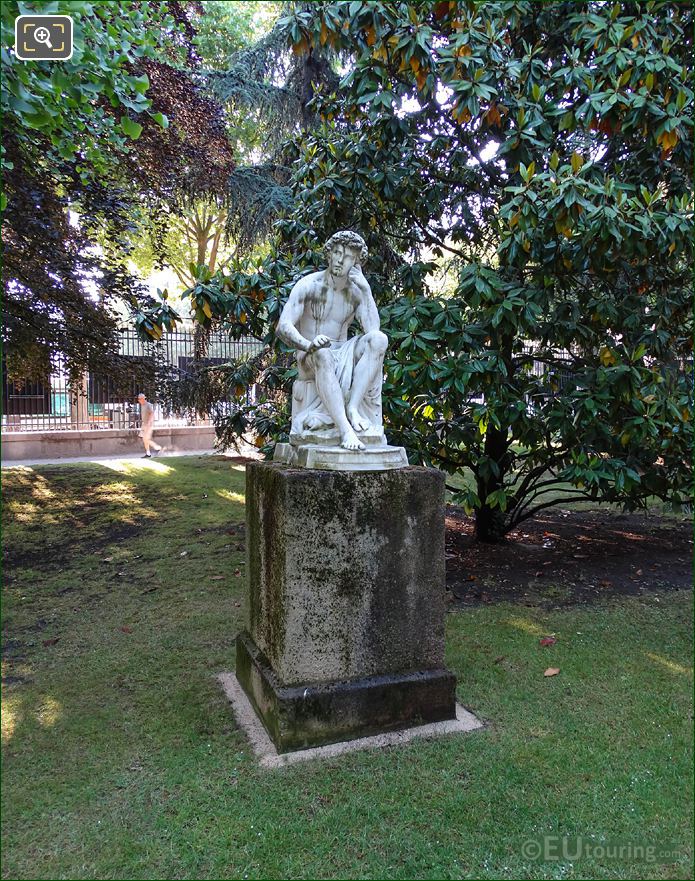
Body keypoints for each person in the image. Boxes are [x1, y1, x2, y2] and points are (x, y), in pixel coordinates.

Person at [276, 230, 387, 451]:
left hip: (343, 351)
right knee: (323, 353)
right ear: (329, 254)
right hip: (311, 354)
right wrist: (308, 344)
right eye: (336, 253)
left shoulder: (356, 292)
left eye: (347, 256)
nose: (339, 260)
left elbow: (373, 330)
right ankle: (346, 430)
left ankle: (353, 407)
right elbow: (283, 326)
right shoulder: (309, 285)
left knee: (379, 340)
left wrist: (367, 291)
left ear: (356, 262)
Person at [137, 393, 162, 457]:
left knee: (146, 439)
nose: (138, 400)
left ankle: (155, 449)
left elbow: (152, 414)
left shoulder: (148, 405)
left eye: (139, 399)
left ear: (143, 399)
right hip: (144, 424)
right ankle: (151, 451)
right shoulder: (142, 405)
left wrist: (149, 423)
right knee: (145, 439)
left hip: (148, 425)